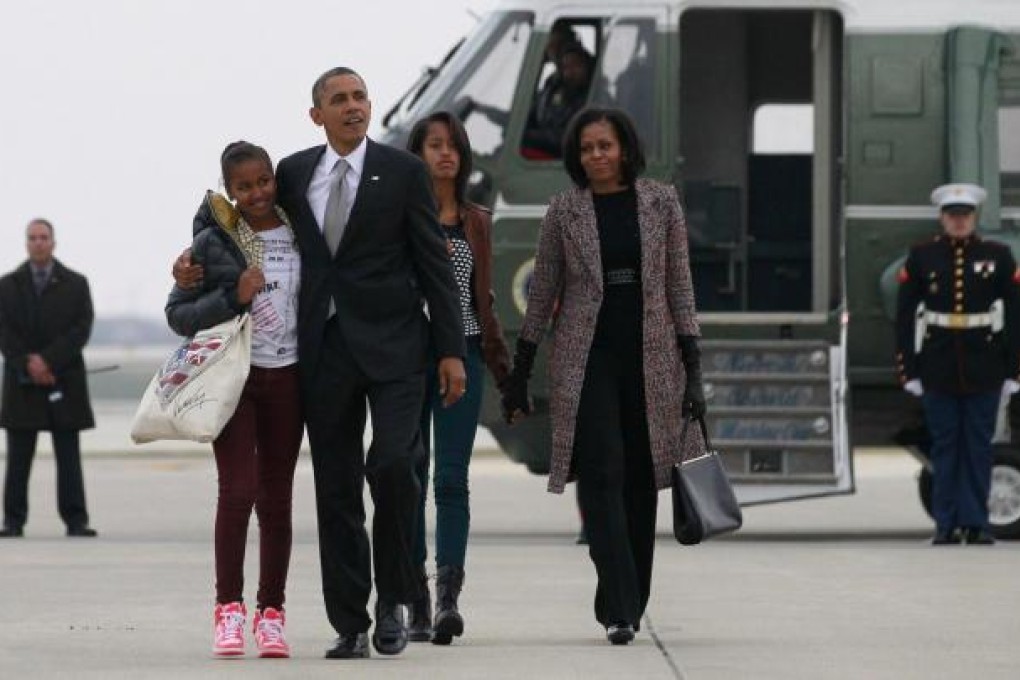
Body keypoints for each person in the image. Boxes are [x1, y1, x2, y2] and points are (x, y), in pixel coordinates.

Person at [276, 67, 466, 659]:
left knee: (390, 465)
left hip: (396, 349)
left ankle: (396, 597)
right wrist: (196, 256)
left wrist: (452, 350)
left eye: (359, 96)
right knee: (335, 489)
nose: (353, 106)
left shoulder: (403, 172)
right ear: (318, 115)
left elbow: (434, 266)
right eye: (339, 99)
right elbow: (252, 227)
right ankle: (351, 622)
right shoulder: (293, 173)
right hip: (325, 350)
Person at [500, 107, 706, 644]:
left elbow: (680, 287)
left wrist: (694, 368)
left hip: (652, 357)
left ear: (624, 149)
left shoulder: (661, 202)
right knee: (601, 476)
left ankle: (629, 596)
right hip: (585, 359)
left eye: (605, 146)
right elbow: (542, 291)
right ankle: (618, 602)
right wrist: (520, 369)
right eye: (587, 148)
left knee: (640, 481)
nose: (596, 155)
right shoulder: (564, 211)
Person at [166, 142, 303, 658]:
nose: (257, 193)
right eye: (244, 186)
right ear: (229, 191)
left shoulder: (300, 230)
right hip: (235, 380)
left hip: (289, 378)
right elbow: (178, 314)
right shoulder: (212, 242)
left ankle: (272, 614)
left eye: (264, 181)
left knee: (277, 498)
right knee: (238, 491)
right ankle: (228, 609)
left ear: (275, 179)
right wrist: (233, 297)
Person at [404, 111, 510, 645]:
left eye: (453, 146)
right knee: (408, 475)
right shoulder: (401, 217)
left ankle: (447, 597)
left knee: (451, 477)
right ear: (417, 154)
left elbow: (483, 299)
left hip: (464, 352)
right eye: (434, 145)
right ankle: (413, 598)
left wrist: (500, 362)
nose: (445, 154)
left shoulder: (477, 220)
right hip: (407, 357)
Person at [895, 182, 1020, 546]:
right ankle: (946, 525)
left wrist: (1014, 369)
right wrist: (910, 369)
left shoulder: (998, 255)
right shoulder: (922, 256)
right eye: (952, 216)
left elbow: (1015, 314)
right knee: (945, 447)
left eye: (965, 216)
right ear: (942, 219)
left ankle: (977, 523)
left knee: (979, 448)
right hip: (938, 365)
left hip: (985, 365)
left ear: (974, 218)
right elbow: (905, 318)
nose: (959, 222)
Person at [0, 219, 97, 539]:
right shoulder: (7, 285)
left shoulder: (76, 283)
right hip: (21, 382)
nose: (38, 243)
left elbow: (81, 329)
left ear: (53, 242)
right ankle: (13, 522)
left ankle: (76, 520)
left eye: (44, 237)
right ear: (26, 243)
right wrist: (28, 362)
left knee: (69, 456)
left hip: (63, 379)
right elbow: (4, 332)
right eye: (33, 238)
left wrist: (48, 360)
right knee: (18, 458)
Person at [521, 41, 594, 159]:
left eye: (576, 65)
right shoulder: (556, 91)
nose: (570, 72)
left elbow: (570, 137)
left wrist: (530, 136)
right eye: (566, 67)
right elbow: (531, 116)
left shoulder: (594, 99)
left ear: (587, 67)